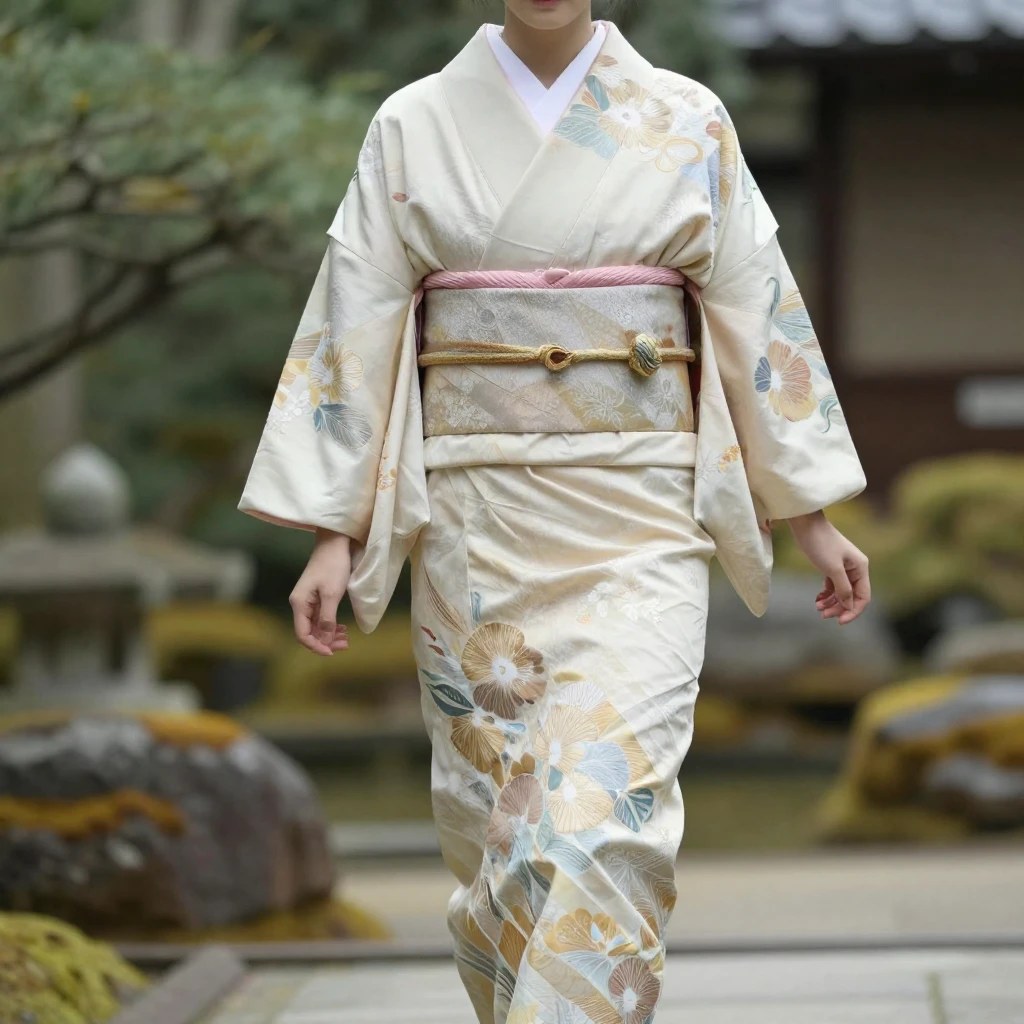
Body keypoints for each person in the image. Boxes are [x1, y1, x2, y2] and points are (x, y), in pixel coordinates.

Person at [240, 0, 871, 1020]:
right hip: (476, 520)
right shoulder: (413, 122)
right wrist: (334, 530)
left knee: (604, 819)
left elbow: (755, 307)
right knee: (505, 830)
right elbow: (355, 318)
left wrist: (809, 512)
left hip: (642, 518)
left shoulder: (687, 116)